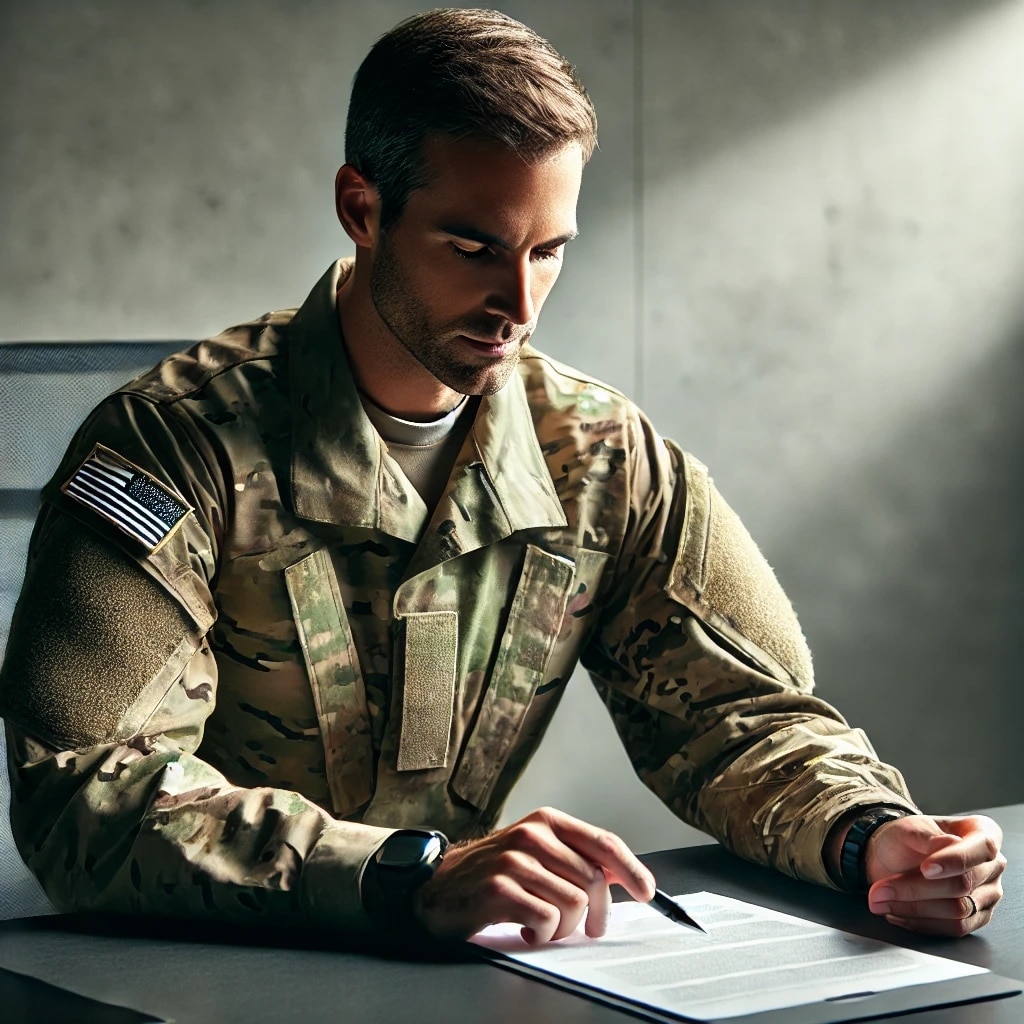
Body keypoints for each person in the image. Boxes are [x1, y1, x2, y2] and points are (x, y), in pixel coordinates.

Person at [0, 8, 1004, 945]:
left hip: (465, 974)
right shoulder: (172, 446)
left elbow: (739, 719)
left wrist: (867, 834)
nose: (516, 302)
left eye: (549, 251)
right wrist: (408, 872)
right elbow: (85, 794)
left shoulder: (601, 458)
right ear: (363, 207)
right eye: (472, 247)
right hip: (192, 974)